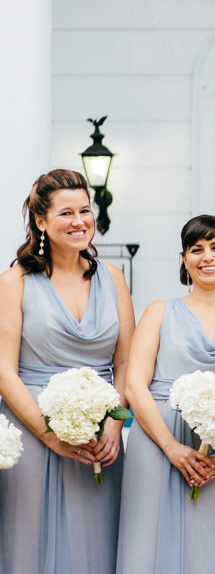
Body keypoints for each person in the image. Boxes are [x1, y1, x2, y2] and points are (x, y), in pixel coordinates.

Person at [0, 169, 135, 574]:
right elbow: (4, 372)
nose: (80, 221)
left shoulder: (113, 278)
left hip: (100, 441)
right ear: (41, 221)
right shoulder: (15, 282)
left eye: (86, 210)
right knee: (29, 547)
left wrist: (114, 427)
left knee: (95, 549)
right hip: (32, 435)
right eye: (66, 213)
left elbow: (125, 362)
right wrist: (50, 435)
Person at [115, 215, 215, 573]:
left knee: (210, 551)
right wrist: (171, 447)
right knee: (147, 544)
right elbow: (134, 386)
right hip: (156, 443)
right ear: (185, 259)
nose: (207, 256)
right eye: (197, 249)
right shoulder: (159, 312)